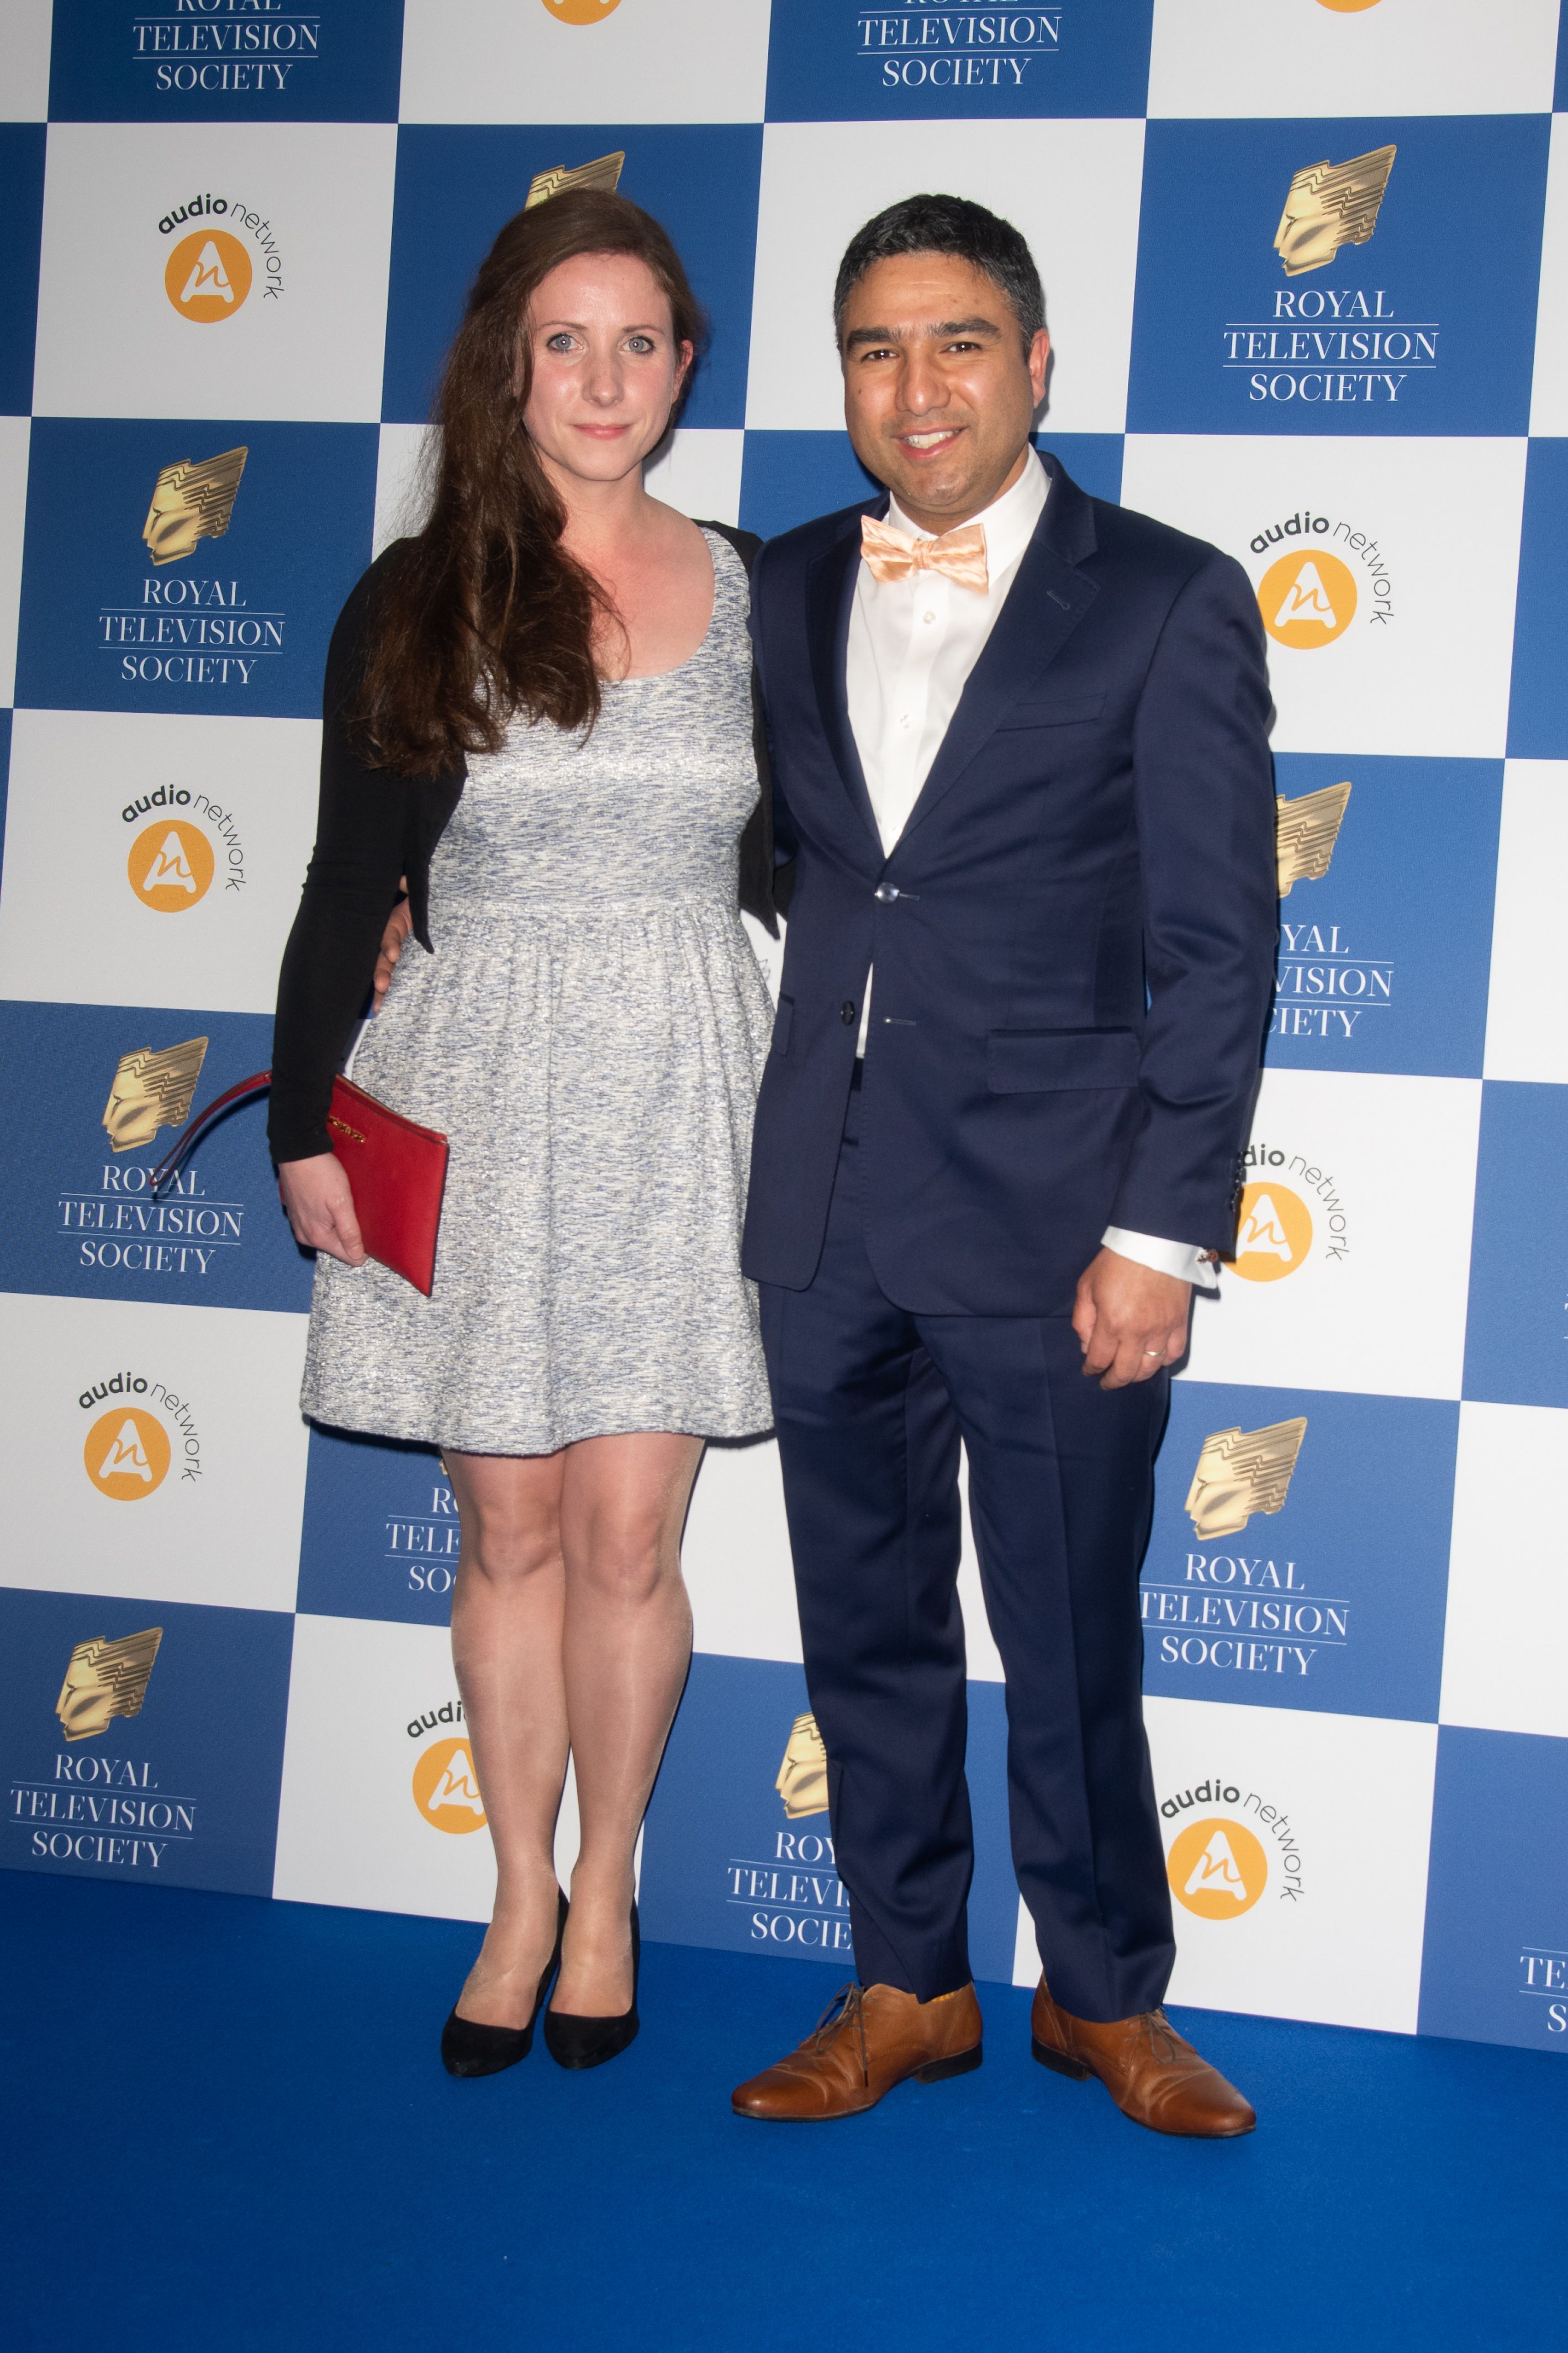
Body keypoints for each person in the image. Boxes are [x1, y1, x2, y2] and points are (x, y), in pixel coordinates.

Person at [728, 195, 1277, 2134]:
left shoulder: (1167, 594)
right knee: (861, 1624)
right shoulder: (784, 582)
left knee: (1069, 1630)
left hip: (1065, 1222)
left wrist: (1162, 1232)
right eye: (876, 348)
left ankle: (1105, 1995)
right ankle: (909, 1983)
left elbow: (1221, 948)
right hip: (826, 1208)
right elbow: (755, 851)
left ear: (1037, 363)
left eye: (958, 340)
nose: (918, 384)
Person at [270, 188, 783, 2077]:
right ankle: (511, 1891)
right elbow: (347, 883)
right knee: (513, 1521)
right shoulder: (417, 597)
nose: (604, 376)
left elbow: (816, 852)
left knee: (634, 1531)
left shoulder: (757, 585)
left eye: (641, 340)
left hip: (681, 1081)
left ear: (683, 367)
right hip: (478, 1079)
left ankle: (612, 1888)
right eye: (566, 338)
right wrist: (307, 1122)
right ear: (507, 358)